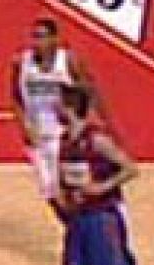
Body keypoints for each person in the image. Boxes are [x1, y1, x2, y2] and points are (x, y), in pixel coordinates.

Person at [55, 85, 147, 265]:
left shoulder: (96, 140)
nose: (55, 107)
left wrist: (102, 187)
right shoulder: (65, 140)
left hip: (100, 217)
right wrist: (63, 197)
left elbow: (130, 168)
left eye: (60, 103)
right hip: (78, 218)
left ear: (70, 107)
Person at [10, 18, 106, 205]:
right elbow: (15, 96)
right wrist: (24, 126)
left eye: (42, 36)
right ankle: (71, 222)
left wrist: (85, 122)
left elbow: (90, 90)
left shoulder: (68, 61)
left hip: (63, 136)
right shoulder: (22, 62)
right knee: (49, 193)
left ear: (55, 39)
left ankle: (83, 223)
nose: (37, 42)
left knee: (68, 191)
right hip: (37, 136)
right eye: (34, 37)